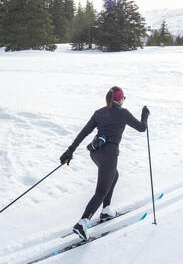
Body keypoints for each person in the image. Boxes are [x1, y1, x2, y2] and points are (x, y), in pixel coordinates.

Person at [60, 86, 150, 242]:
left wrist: (70, 151)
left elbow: (83, 133)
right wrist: (145, 115)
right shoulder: (123, 113)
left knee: (114, 176)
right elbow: (142, 128)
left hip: (95, 153)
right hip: (109, 155)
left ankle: (106, 210)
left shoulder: (99, 112)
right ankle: (82, 223)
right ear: (120, 99)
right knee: (101, 190)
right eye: (123, 98)